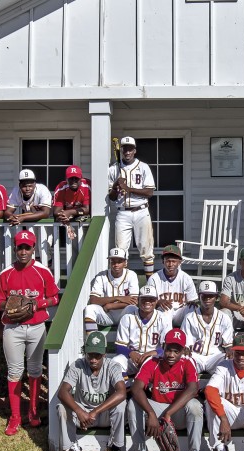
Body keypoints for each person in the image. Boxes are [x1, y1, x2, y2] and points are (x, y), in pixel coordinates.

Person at [0, 229, 60, 436]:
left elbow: (54, 298)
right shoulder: (6, 274)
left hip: (37, 327)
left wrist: (36, 303)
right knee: (14, 371)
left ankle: (33, 412)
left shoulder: (43, 271)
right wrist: (12, 304)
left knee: (35, 370)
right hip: (13, 327)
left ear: (33, 249)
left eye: (27, 247)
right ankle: (15, 417)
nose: (23, 251)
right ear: (15, 249)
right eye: (19, 247)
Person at [126, 328, 204, 451]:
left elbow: (193, 389)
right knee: (133, 405)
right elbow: (136, 387)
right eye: (169, 349)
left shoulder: (188, 362)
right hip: (158, 409)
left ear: (183, 350)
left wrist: (168, 414)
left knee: (195, 406)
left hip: (178, 412)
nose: (171, 354)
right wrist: (151, 413)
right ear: (163, 346)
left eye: (176, 351)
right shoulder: (153, 362)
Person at [56, 331, 129, 451]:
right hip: (83, 415)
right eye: (90, 355)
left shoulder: (113, 366)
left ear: (104, 354)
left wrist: (94, 412)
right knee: (61, 408)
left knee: (121, 405)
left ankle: (113, 447)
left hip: (102, 415)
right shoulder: (78, 365)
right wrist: (79, 411)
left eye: (97, 355)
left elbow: (121, 392)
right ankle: (73, 449)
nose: (93, 359)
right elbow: (62, 392)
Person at [107, 136, 156, 278]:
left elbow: (149, 192)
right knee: (121, 250)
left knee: (146, 250)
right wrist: (116, 187)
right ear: (121, 150)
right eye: (124, 149)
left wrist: (129, 188)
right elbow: (111, 197)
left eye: (130, 149)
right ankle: (124, 285)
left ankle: (150, 284)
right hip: (122, 213)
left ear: (134, 150)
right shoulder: (113, 170)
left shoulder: (143, 167)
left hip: (141, 210)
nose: (127, 152)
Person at [112, 286, 173, 381]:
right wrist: (130, 353)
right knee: (116, 362)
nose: (147, 302)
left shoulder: (163, 318)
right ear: (138, 300)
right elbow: (119, 346)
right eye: (144, 299)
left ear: (156, 301)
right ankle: (126, 389)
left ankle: (151, 389)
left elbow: (168, 346)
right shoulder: (128, 317)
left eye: (151, 299)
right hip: (132, 359)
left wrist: (155, 352)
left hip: (154, 358)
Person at [180, 281, 234, 374]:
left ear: (216, 297)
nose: (207, 298)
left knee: (230, 359)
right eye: (204, 295)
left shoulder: (224, 318)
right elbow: (185, 344)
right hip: (196, 356)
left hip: (215, 357)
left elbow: (228, 344)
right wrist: (185, 349)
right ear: (199, 296)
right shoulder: (189, 317)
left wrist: (230, 351)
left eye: (211, 296)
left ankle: (217, 388)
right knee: (182, 358)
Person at [83, 247, 139, 333]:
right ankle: (93, 339)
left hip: (123, 314)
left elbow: (135, 301)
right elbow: (93, 300)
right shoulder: (101, 276)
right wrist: (117, 298)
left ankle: (132, 341)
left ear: (125, 263)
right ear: (110, 262)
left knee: (132, 308)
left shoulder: (131, 275)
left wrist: (111, 305)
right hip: (107, 314)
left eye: (119, 262)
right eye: (113, 261)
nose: (116, 265)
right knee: (89, 309)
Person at [144, 244, 198, 326]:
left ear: (179, 262)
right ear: (163, 262)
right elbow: (146, 301)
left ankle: (187, 336)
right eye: (168, 261)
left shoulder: (186, 278)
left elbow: (192, 300)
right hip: (162, 313)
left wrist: (192, 303)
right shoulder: (154, 278)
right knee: (167, 309)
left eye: (174, 261)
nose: (170, 264)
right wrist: (158, 302)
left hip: (180, 312)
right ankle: (165, 336)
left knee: (192, 308)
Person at [53, 165, 90, 239]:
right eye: (71, 179)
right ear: (66, 179)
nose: (73, 181)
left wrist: (69, 212)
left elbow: (86, 210)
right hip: (69, 221)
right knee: (72, 245)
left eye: (76, 179)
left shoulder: (86, 186)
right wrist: (63, 215)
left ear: (81, 179)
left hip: (86, 221)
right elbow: (56, 211)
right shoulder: (61, 188)